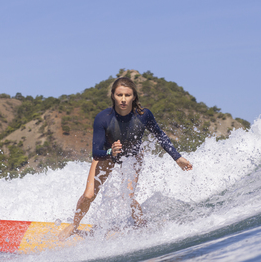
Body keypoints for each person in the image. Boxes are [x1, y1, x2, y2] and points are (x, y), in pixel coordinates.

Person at [58, 77, 192, 241]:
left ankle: (142, 226)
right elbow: (96, 152)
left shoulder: (144, 115)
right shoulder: (103, 118)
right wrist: (110, 152)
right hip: (107, 156)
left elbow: (160, 136)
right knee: (88, 195)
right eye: (119, 95)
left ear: (134, 96)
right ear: (113, 95)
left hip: (132, 157)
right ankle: (74, 225)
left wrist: (177, 158)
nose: (123, 99)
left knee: (127, 197)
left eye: (127, 95)